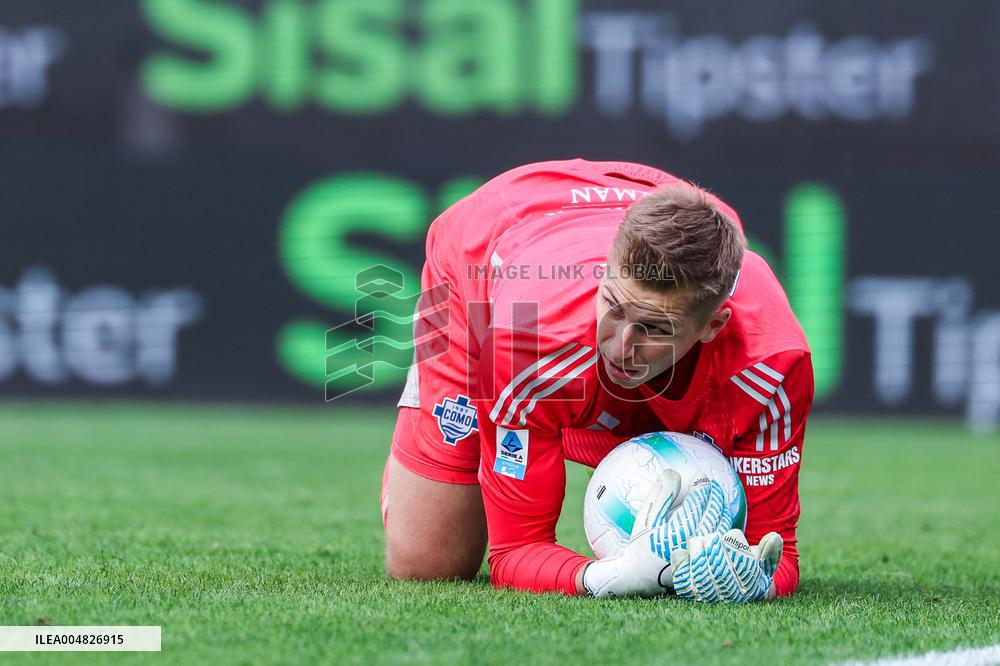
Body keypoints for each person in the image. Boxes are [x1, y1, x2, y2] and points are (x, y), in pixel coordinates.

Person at [382, 159, 812, 601]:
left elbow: (777, 554)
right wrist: (612, 576)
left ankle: (544, 403)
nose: (621, 344)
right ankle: (456, 404)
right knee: (429, 564)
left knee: (595, 389)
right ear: (605, 271)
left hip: (650, 205)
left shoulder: (772, 364)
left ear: (713, 326)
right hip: (488, 243)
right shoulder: (526, 338)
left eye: (655, 327)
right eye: (613, 305)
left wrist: (750, 581)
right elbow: (516, 549)